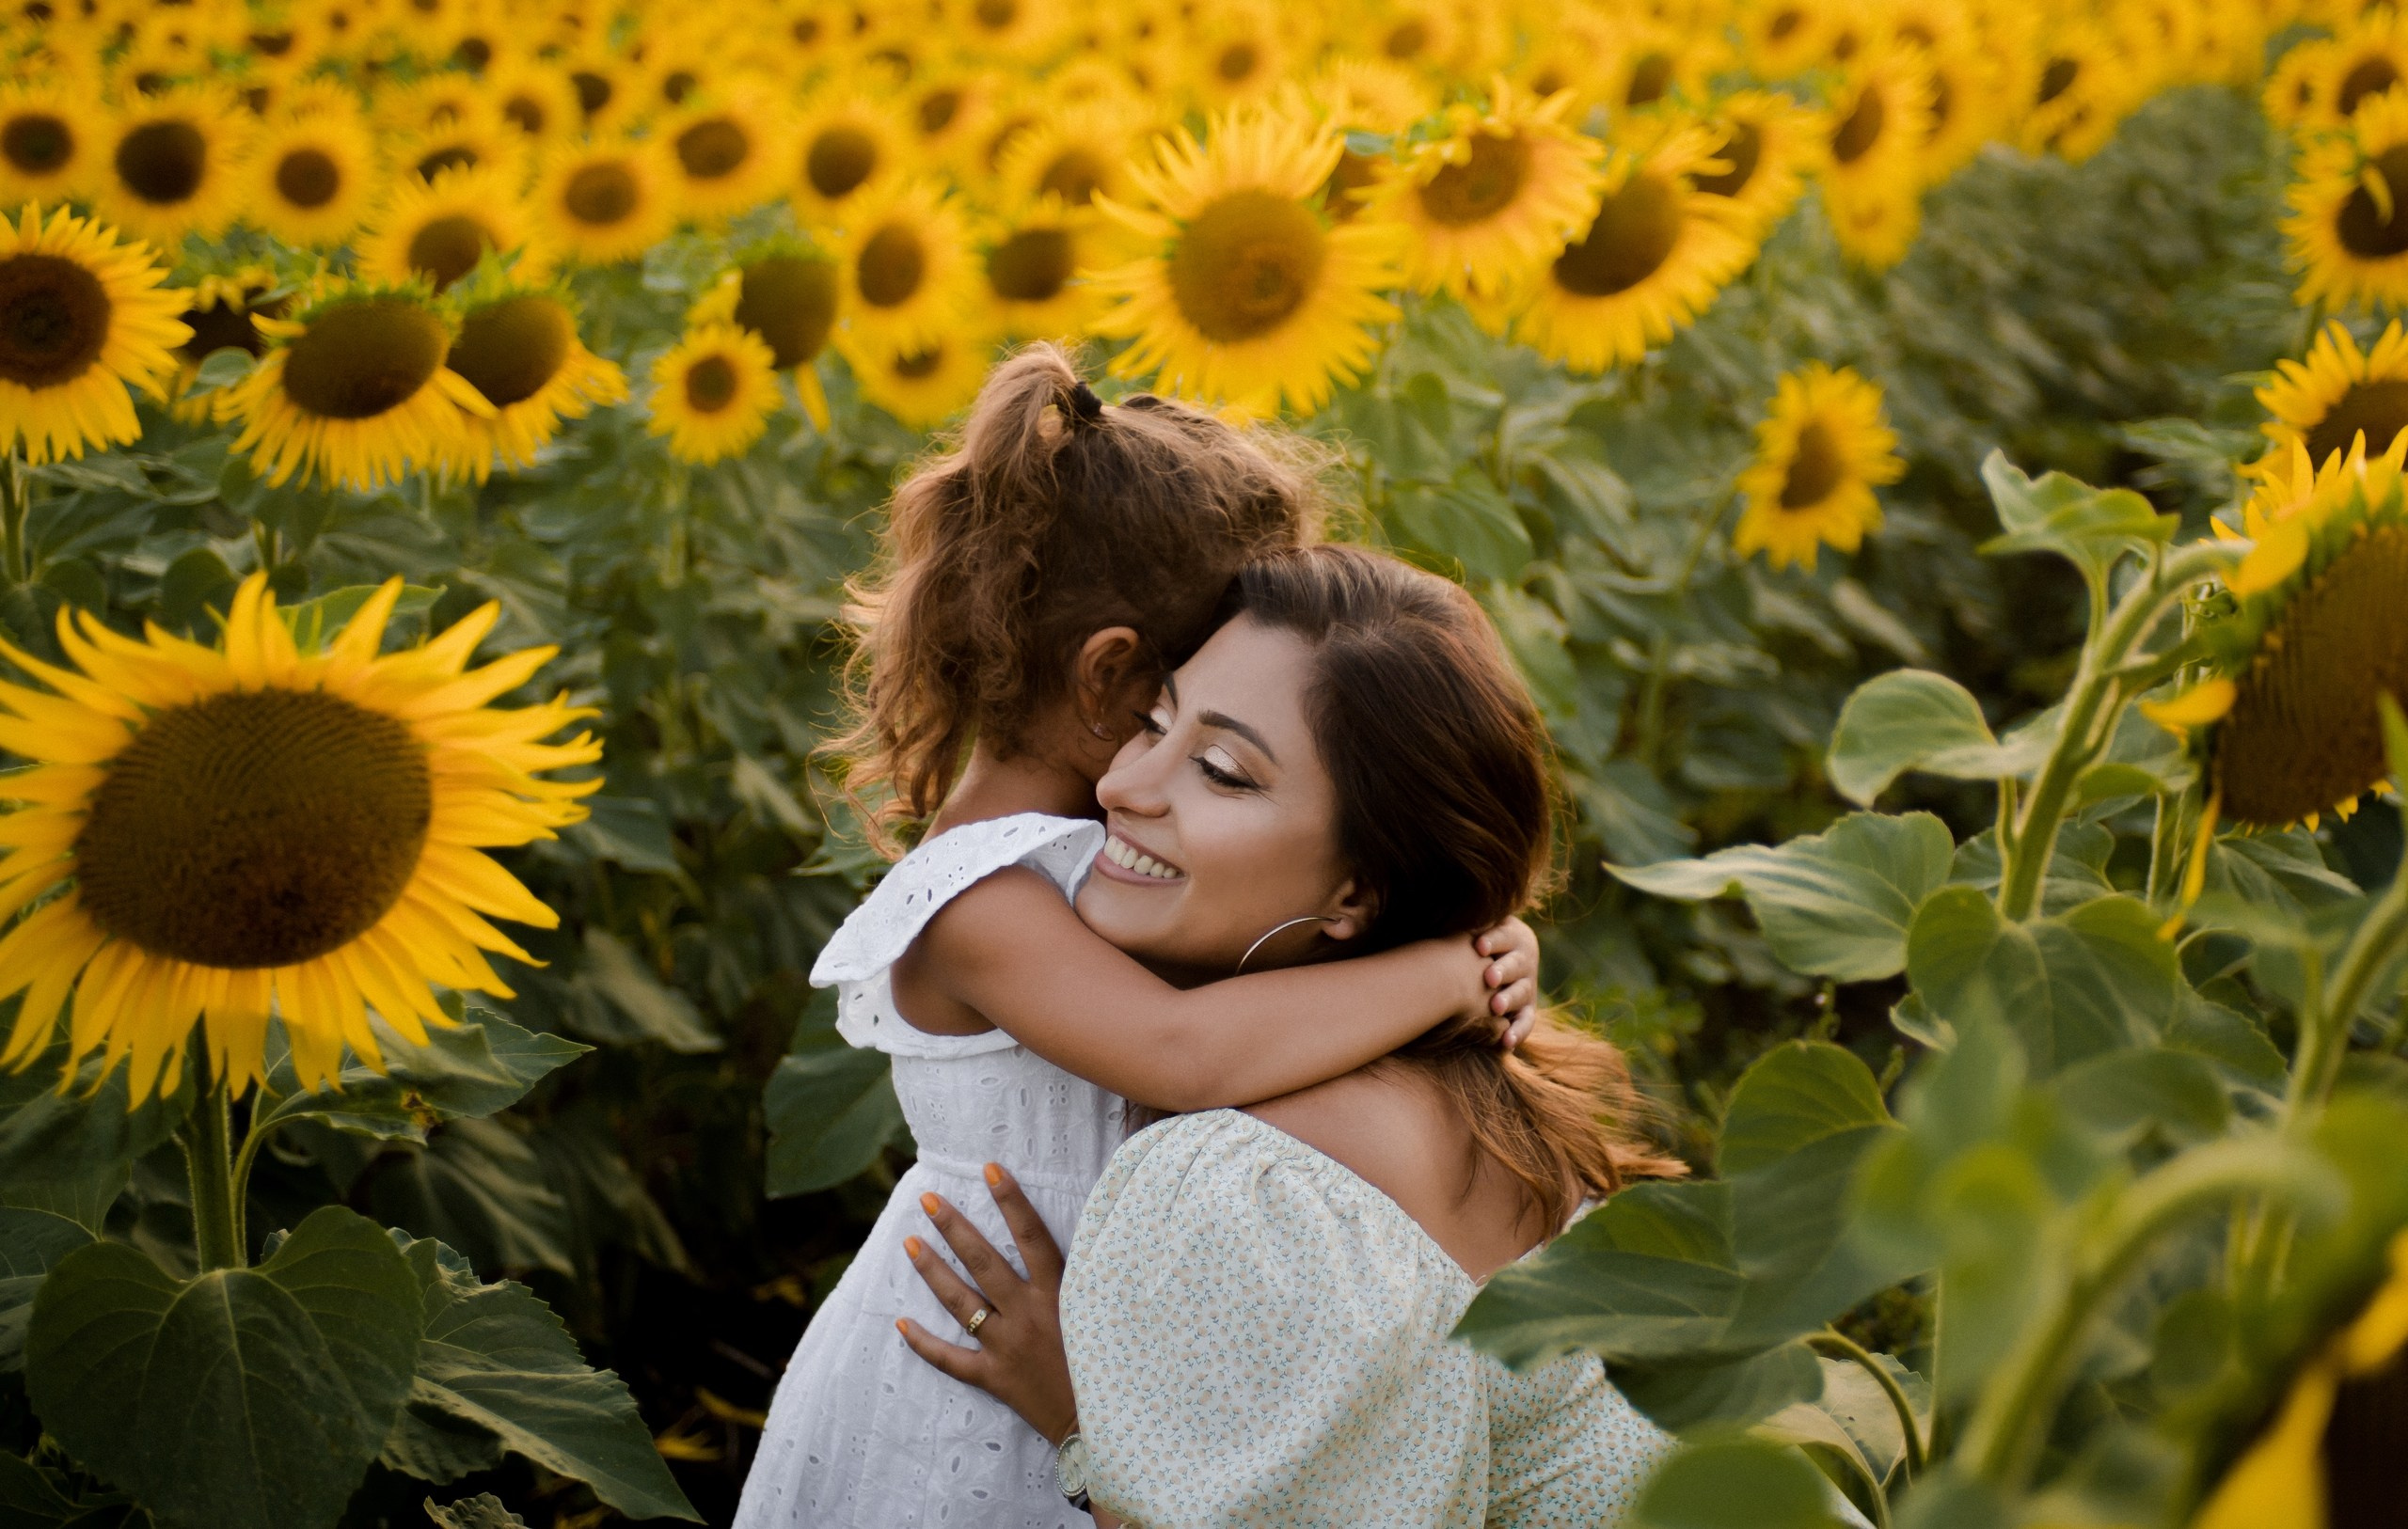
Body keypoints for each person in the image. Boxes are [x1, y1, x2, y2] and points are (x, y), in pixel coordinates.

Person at [734, 351, 1545, 1529]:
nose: (1158, 776)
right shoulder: (977, 897)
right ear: (1111, 672)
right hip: (986, 1361)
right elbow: (1184, 1051)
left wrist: (1478, 940)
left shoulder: (1106, 856)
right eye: (1178, 703)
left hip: (1135, 1339)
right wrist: (1438, 971)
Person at [899, 544, 1691, 1527]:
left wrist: (1079, 1421)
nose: (1121, 787)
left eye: (1222, 772)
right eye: (1154, 722)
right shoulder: (1477, 1082)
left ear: (1357, 893)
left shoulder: (1255, 1190)